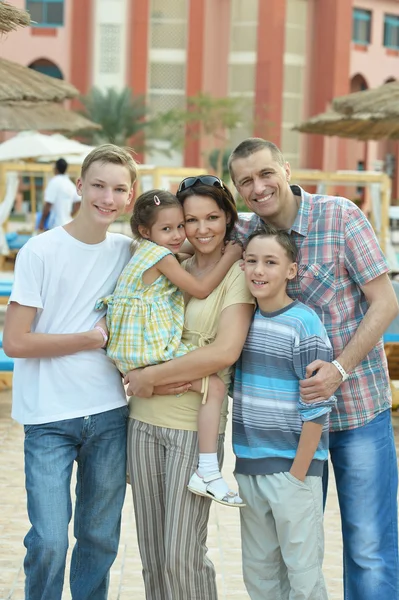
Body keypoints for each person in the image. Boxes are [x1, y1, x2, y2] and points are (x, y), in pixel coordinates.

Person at [228, 137, 399, 600]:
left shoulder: (339, 216)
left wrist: (339, 370)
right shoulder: (245, 237)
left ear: (285, 169)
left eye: (266, 174)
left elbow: (384, 302)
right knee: (292, 554)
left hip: (357, 412)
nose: (259, 187)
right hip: (290, 430)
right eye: (246, 181)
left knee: (368, 546)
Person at [3, 144, 138, 600]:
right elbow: (15, 341)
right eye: (98, 185)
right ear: (79, 187)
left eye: (119, 189)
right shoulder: (40, 251)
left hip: (108, 414)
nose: (108, 197)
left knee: (99, 539)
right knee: (49, 540)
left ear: (131, 195)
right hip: (48, 417)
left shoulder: (129, 252)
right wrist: (89, 338)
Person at [123, 176, 255, 599]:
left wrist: (147, 378)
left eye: (212, 217)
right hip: (142, 421)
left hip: (192, 426)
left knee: (183, 555)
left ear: (228, 217)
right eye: (190, 219)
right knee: (155, 556)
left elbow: (225, 351)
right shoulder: (168, 264)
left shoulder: (236, 273)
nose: (200, 229)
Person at [98, 187, 244, 505]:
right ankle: (208, 471)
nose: (179, 235)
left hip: (130, 353)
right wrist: (232, 254)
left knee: (157, 383)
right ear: (144, 231)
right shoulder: (164, 257)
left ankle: (152, 387)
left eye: (181, 225)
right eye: (170, 228)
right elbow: (202, 288)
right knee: (215, 388)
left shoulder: (145, 253)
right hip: (147, 348)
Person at [234, 226, 336, 599]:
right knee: (259, 576)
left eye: (270, 262)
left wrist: (298, 474)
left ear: (291, 270)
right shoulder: (241, 321)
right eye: (251, 261)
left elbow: (317, 407)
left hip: (293, 471)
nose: (259, 270)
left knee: (303, 576)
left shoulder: (303, 324)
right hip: (249, 467)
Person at [37, 157, 81, 231]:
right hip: (68, 224)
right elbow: (79, 201)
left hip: (55, 225)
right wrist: (71, 214)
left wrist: (41, 222)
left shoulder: (54, 182)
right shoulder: (69, 184)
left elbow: (48, 204)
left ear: (56, 168)